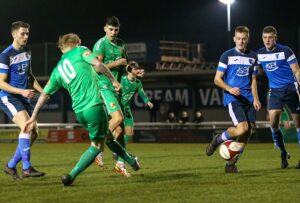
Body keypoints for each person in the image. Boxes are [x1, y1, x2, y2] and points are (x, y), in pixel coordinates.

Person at [23, 33, 140, 186]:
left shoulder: (57, 69)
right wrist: (114, 81)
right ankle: (70, 176)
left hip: (79, 113)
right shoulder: (80, 50)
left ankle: (131, 161)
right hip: (94, 107)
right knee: (97, 145)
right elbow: (98, 64)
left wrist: (33, 117)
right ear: (76, 43)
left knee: (108, 137)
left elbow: (44, 94)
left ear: (62, 49)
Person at [205, 26, 261, 173]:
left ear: (248, 39)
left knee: (247, 132)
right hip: (233, 98)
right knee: (242, 128)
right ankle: (218, 139)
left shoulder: (254, 56)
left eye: (244, 38)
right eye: (239, 38)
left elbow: (254, 80)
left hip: (249, 99)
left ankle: (231, 164)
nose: (241, 41)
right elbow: (217, 79)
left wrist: (256, 98)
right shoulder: (227, 55)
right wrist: (230, 89)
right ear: (234, 39)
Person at [0, 21, 45, 179]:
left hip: (23, 96)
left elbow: (30, 76)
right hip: (9, 96)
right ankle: (26, 168)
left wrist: (43, 91)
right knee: (27, 126)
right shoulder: (6, 55)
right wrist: (22, 91)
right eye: (22, 33)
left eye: (27, 33)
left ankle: (10, 166)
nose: (26, 36)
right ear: (14, 34)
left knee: (33, 133)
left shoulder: (27, 51)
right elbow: (1, 83)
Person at [257, 26, 300, 169]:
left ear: (275, 38)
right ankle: (283, 153)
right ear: (262, 39)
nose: (267, 40)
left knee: (298, 124)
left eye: (270, 37)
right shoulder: (260, 54)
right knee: (273, 123)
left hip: (291, 89)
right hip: (275, 91)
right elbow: (252, 71)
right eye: (265, 38)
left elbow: (297, 71)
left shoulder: (285, 50)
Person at [92, 16, 127, 168]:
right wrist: (117, 63)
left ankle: (120, 163)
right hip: (104, 86)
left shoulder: (121, 44)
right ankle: (97, 148)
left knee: (120, 130)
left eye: (116, 30)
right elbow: (97, 66)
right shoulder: (100, 44)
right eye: (110, 29)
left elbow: (124, 64)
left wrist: (133, 71)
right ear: (105, 28)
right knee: (118, 118)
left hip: (117, 87)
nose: (113, 32)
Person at [115, 61, 153, 177]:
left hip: (126, 110)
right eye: (136, 69)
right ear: (129, 70)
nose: (139, 70)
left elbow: (141, 93)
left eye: (138, 68)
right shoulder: (122, 79)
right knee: (115, 133)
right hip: (116, 109)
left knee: (129, 133)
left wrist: (147, 101)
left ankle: (119, 157)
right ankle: (117, 156)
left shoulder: (137, 83)